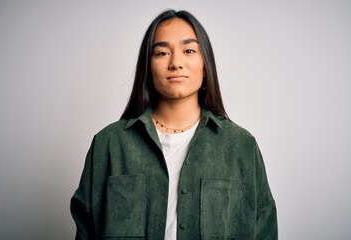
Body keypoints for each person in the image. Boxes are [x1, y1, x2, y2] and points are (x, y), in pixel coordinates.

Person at [70, 9, 277, 240]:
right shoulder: (108, 144)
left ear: (205, 65)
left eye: (189, 50)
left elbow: (263, 229)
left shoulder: (241, 146)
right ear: (147, 68)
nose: (176, 63)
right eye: (162, 52)